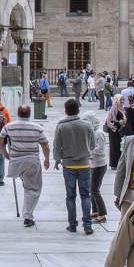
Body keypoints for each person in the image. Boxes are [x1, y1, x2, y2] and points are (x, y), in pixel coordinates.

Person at [0, 104, 50, 226]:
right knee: (33, 188)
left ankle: (27, 213)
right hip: (32, 161)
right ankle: (28, 216)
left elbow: (0, 141)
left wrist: (5, 154)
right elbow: (45, 145)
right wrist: (46, 159)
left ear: (18, 113)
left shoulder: (8, 127)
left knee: (28, 185)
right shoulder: (37, 127)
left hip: (16, 162)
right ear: (29, 114)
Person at [53, 98, 96, 234]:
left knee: (70, 196)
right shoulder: (87, 125)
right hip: (84, 164)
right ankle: (87, 225)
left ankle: (72, 224)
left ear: (66, 111)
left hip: (69, 166)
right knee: (86, 195)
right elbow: (93, 145)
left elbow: (56, 146)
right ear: (78, 110)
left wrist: (57, 160)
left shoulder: (61, 126)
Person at [82, 111, 109, 223]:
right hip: (93, 164)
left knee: (95, 190)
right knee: (91, 189)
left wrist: (88, 151)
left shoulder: (99, 133)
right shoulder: (92, 132)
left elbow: (100, 150)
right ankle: (95, 211)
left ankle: (102, 214)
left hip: (99, 165)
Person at [105, 94, 126, 169]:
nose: (122, 101)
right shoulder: (114, 108)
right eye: (120, 100)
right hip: (114, 130)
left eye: (123, 100)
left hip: (120, 131)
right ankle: (114, 164)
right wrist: (118, 122)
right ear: (116, 100)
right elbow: (109, 120)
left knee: (120, 147)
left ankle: (119, 163)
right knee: (114, 147)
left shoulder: (122, 108)